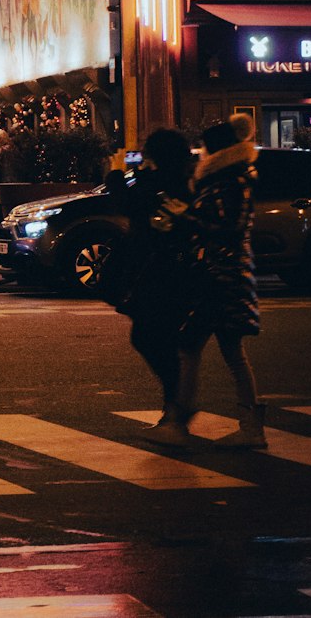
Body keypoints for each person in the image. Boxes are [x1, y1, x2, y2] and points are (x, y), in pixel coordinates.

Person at [151, 110, 266, 449]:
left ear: (214, 155)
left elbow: (225, 230)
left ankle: (180, 421)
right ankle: (249, 426)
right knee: (228, 351)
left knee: (191, 347)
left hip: (220, 276)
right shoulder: (234, 179)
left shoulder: (228, 183)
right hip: (227, 275)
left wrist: (187, 221)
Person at [102, 128, 194, 433]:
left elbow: (126, 205)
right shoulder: (181, 182)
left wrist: (116, 175)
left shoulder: (157, 184)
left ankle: (177, 408)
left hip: (157, 273)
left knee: (150, 337)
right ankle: (175, 407)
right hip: (173, 273)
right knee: (158, 339)